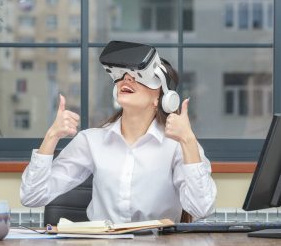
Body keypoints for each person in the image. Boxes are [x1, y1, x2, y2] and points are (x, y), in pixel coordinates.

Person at [20, 43, 217, 224]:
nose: (128, 79)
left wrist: (188, 140)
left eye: (141, 76)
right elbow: (32, 196)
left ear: (163, 98)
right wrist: (52, 136)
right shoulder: (91, 141)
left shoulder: (177, 145)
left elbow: (202, 209)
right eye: (123, 75)